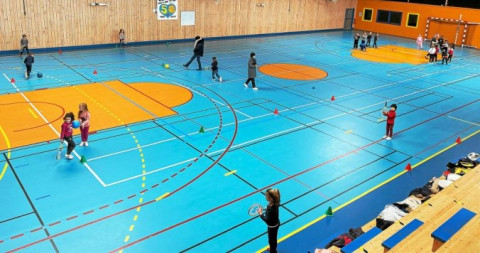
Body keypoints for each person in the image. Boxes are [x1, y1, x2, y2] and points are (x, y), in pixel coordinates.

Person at [257, 189, 281, 253]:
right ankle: (273, 248)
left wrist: (260, 214)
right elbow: (269, 208)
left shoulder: (271, 209)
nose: (265, 197)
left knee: (271, 240)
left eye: (266, 196)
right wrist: (265, 209)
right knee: (273, 238)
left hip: (272, 227)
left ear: (270, 198)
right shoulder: (274, 203)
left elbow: (267, 220)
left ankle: (273, 251)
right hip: (276, 223)